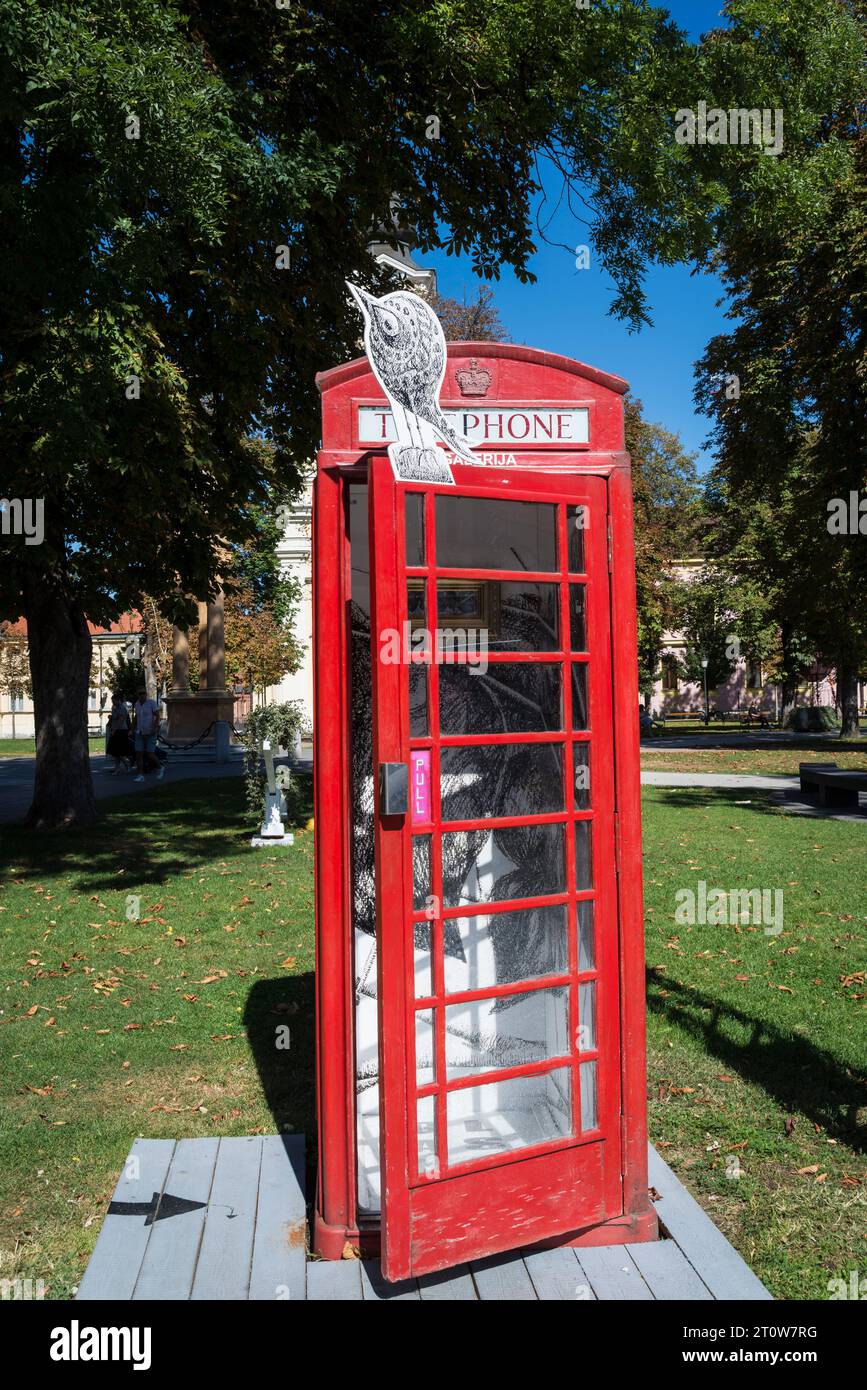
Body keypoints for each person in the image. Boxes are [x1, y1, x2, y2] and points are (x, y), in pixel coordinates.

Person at [133, 688, 164, 783]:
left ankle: (160, 767)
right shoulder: (137, 704)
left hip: (150, 732)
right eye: (140, 694)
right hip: (140, 732)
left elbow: (157, 716)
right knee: (139, 754)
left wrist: (155, 728)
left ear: (146, 694)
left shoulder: (151, 703)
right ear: (138, 695)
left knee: (150, 754)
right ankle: (140, 775)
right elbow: (136, 717)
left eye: (143, 693)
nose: (141, 695)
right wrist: (132, 728)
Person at [106, 693, 133, 774]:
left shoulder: (121, 708)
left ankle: (127, 764)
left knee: (119, 752)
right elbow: (115, 718)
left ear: (118, 700)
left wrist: (114, 730)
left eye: (113, 700)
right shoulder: (115, 707)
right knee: (115, 753)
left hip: (120, 731)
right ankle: (118, 769)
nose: (112, 702)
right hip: (115, 730)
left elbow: (121, 720)